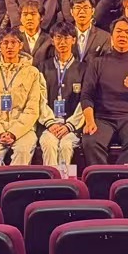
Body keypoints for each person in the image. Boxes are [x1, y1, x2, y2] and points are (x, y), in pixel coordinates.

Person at [78, 16, 128, 167]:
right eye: (118, 31)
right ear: (112, 35)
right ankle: (103, 178)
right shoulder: (97, 63)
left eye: (127, 32)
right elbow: (87, 95)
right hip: (103, 118)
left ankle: (121, 176)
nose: (122, 35)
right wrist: (90, 121)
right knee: (90, 141)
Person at [0, 29, 44, 165]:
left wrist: (14, 132)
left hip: (24, 130)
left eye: (14, 42)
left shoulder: (32, 73)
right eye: (5, 43)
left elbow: (32, 108)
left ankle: (17, 180)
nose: (9, 46)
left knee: (23, 150)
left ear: (21, 45)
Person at [37, 22, 85, 168]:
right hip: (49, 125)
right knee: (48, 143)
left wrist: (70, 125)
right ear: (52, 40)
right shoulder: (43, 67)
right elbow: (39, 99)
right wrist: (50, 123)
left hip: (72, 126)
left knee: (66, 145)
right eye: (58, 38)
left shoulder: (84, 69)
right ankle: (51, 180)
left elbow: (86, 101)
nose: (62, 42)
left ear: (74, 40)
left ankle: (64, 181)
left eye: (66, 38)